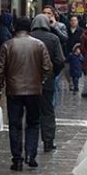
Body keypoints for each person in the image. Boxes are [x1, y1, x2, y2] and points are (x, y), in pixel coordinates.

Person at [0, 16, 52, 170]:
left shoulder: (7, 45)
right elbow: (47, 67)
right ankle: (30, 155)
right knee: (33, 123)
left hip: (13, 90)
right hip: (34, 90)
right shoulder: (39, 45)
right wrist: (41, 80)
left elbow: (0, 70)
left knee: (15, 125)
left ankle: (17, 159)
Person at [30, 14, 65, 153]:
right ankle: (48, 141)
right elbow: (60, 60)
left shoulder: (28, 37)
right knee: (48, 110)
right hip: (47, 80)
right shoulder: (53, 38)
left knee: (31, 111)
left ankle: (30, 143)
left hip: (29, 80)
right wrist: (52, 73)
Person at [65, 16, 84, 88]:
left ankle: (75, 83)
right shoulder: (66, 30)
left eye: (75, 20)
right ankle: (70, 82)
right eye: (72, 20)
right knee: (67, 69)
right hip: (67, 52)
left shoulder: (81, 31)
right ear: (69, 22)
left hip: (76, 53)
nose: (73, 22)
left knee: (76, 68)